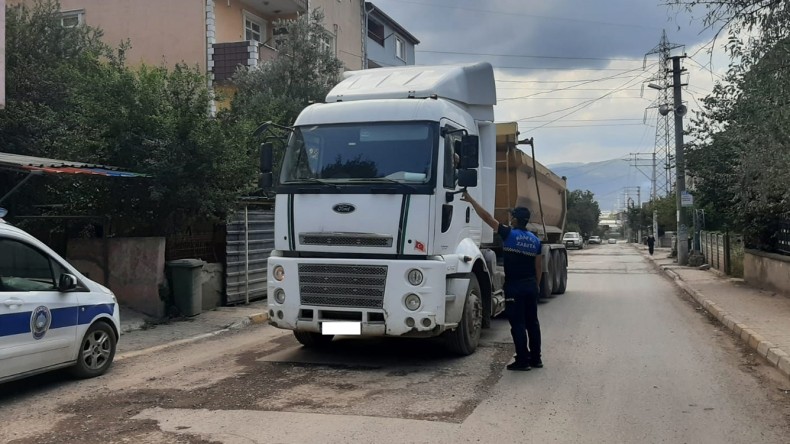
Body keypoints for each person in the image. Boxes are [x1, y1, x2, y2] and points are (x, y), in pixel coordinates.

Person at [461, 191, 543, 371]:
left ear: (515, 220)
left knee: (518, 324)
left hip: (515, 287)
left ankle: (522, 360)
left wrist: (471, 200)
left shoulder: (509, 234)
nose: (510, 219)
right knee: (532, 323)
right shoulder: (536, 241)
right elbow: (539, 267)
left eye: (512, 217)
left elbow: (487, 217)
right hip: (530, 286)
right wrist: (536, 285)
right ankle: (536, 359)